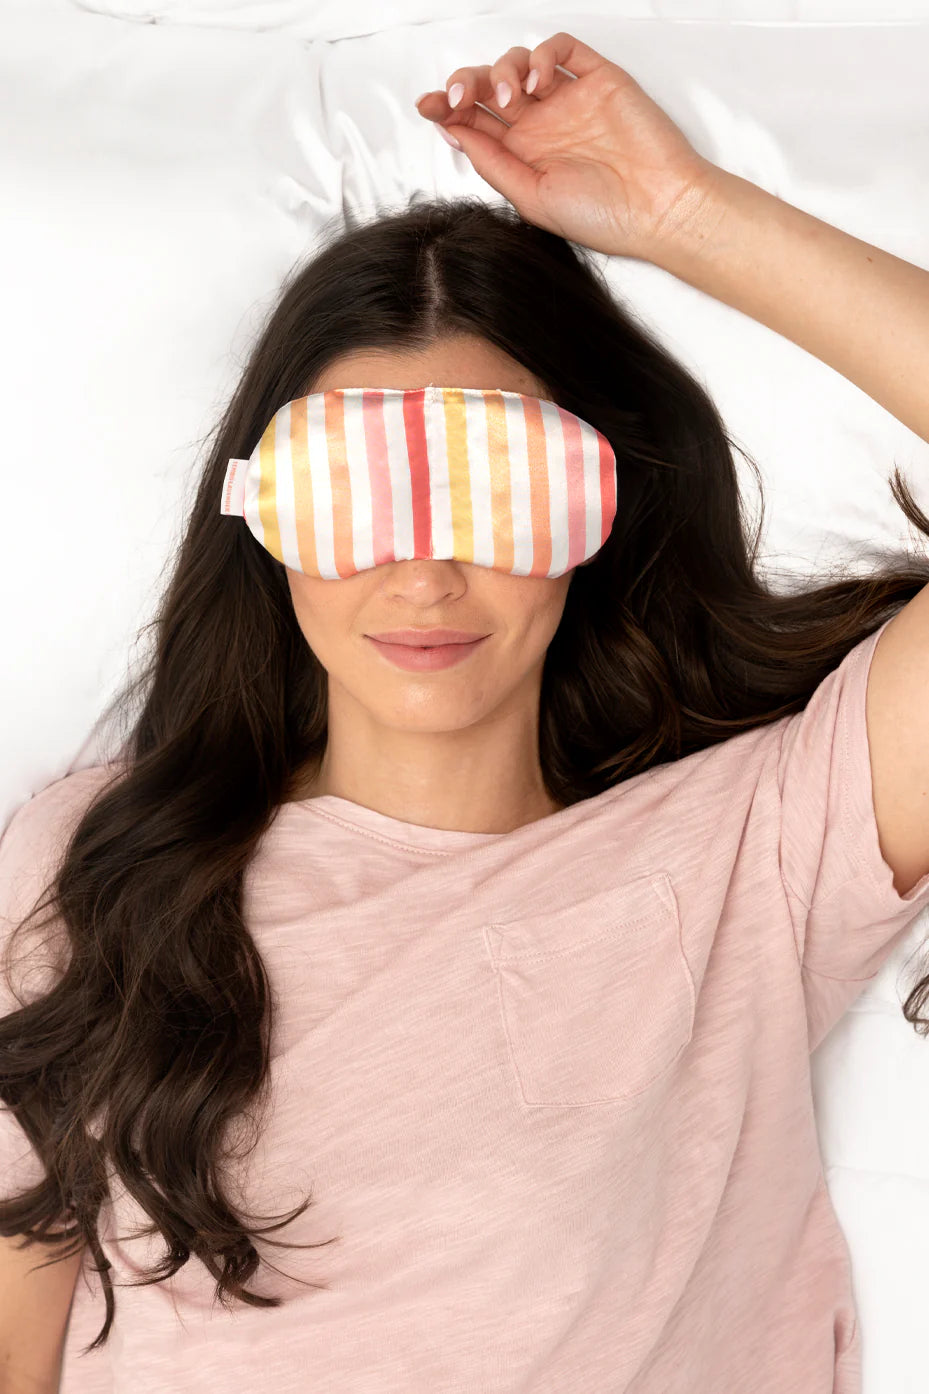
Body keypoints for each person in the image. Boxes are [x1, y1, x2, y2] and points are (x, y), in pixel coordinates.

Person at [2, 28, 929, 1394]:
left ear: (601, 509)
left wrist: (684, 214)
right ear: (262, 514)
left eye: (497, 492)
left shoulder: (761, 851)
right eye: (356, 497)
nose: (425, 572)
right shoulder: (95, 863)